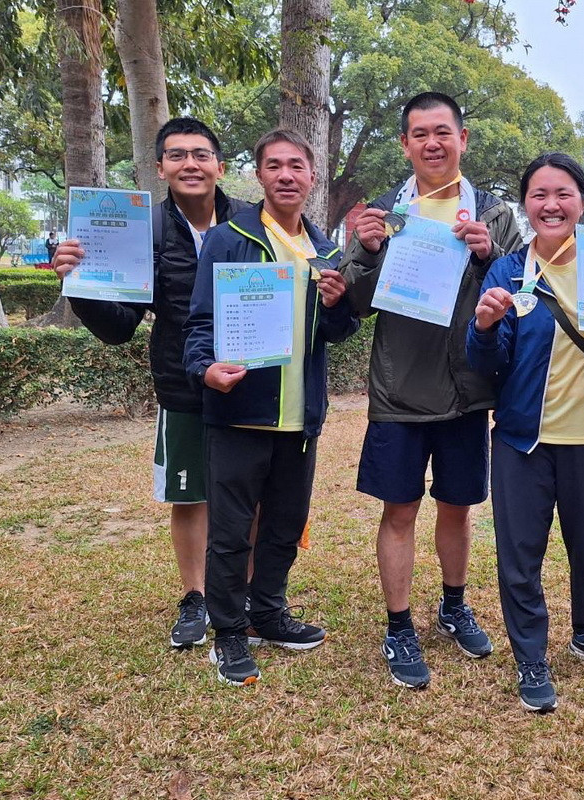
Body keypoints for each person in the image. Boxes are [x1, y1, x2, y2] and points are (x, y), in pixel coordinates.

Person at [340, 92, 522, 690]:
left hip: (468, 390)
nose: (432, 143)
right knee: (399, 511)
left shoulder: (494, 213)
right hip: (399, 390)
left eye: (443, 132)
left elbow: (524, 289)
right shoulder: (383, 214)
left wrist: (488, 257)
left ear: (463, 139)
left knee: (457, 507)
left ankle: (452, 605)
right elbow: (354, 305)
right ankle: (398, 625)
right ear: (406, 145)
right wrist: (365, 251)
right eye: (420, 134)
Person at [51, 117, 251, 649]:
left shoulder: (251, 224)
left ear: (220, 166)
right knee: (191, 498)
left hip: (252, 385)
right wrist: (80, 284)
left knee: (249, 497)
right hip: (183, 386)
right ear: (161, 167)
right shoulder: (147, 233)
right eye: (178, 155)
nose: (191, 164)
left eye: (201, 154)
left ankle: (248, 594)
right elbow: (118, 328)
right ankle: (197, 597)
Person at [467, 152, 584, 712]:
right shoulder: (509, 271)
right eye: (540, 194)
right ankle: (531, 656)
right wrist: (483, 324)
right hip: (524, 441)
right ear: (526, 204)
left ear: (582, 203)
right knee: (520, 554)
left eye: (563, 193)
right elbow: (487, 363)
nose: (551, 204)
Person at [183, 129, 359, 685]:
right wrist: (205, 369)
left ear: (312, 176)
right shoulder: (229, 238)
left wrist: (337, 306)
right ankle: (230, 633)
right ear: (258, 175)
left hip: (300, 417)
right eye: (274, 165)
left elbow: (339, 329)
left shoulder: (325, 248)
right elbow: (200, 325)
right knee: (232, 531)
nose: (286, 175)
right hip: (239, 413)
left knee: (284, 524)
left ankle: (269, 613)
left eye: (296, 166)